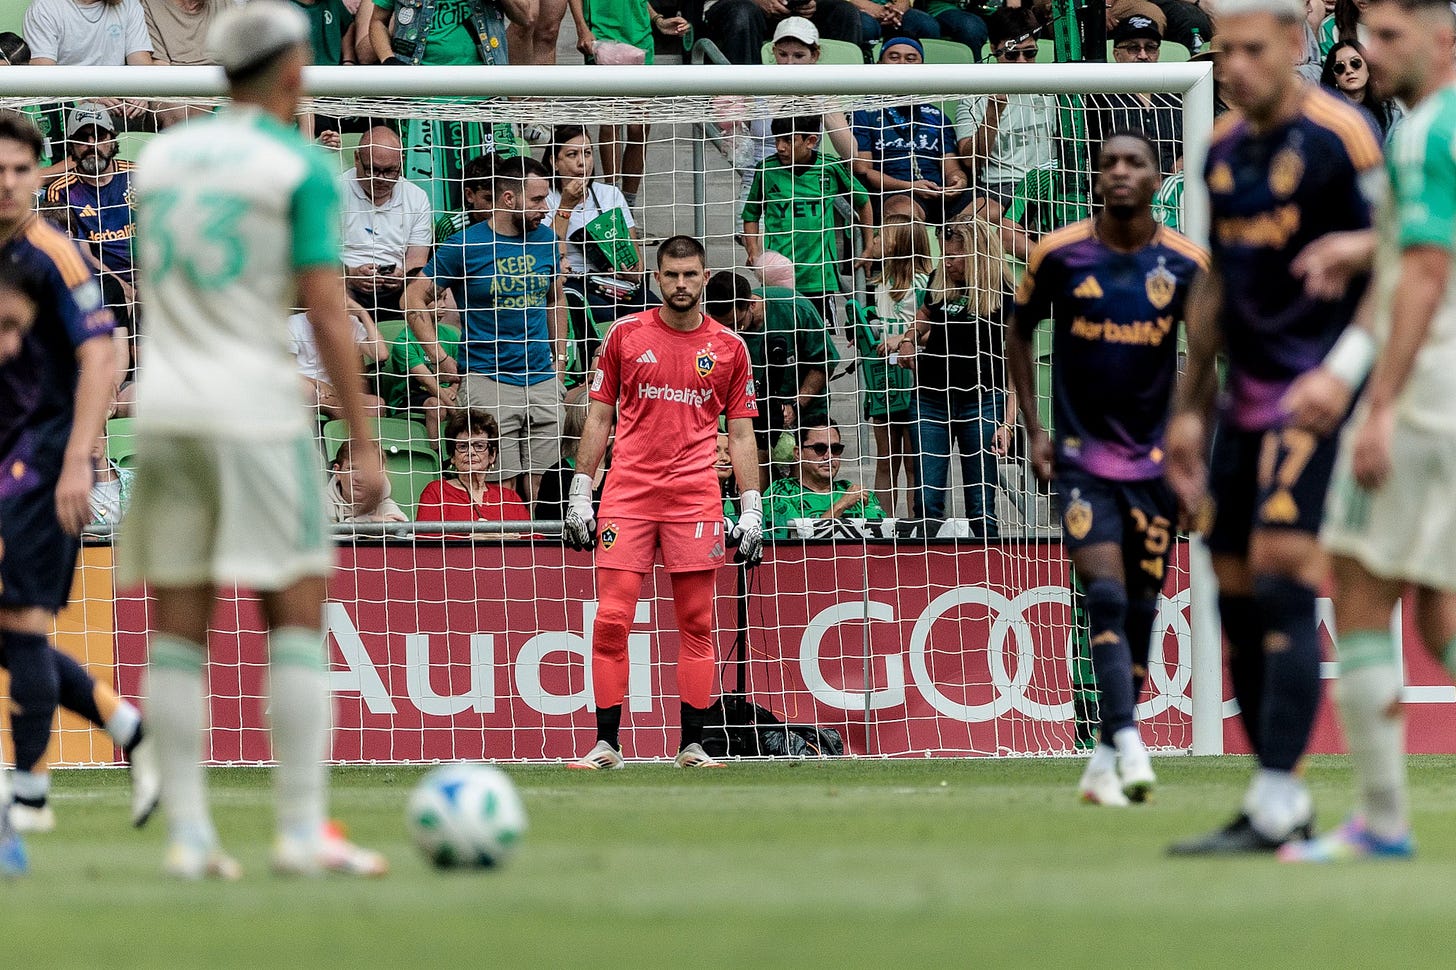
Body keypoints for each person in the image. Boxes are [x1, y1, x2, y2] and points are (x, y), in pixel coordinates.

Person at [121, 1, 390, 879]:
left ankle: (191, 838)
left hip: (168, 405)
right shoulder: (298, 164)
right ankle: (301, 830)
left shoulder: (160, 161)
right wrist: (363, 438)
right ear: (291, 70)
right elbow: (325, 308)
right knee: (295, 615)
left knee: (177, 629)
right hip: (256, 407)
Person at [1164, 0, 1384, 854]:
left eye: (1252, 49)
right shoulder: (1221, 148)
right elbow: (1217, 284)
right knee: (1233, 586)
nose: (1233, 67)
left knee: (1285, 566)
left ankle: (1280, 793)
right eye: (1223, 51)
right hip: (1246, 401)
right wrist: (1191, 407)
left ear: (1296, 44)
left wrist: (1346, 371)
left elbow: (1403, 257)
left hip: (1320, 394)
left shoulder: (1343, 136)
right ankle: (1275, 802)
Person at [1278, 0, 1456, 862]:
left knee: (1355, 585)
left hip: (1426, 397)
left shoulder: (1422, 134)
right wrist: (1365, 248)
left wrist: (1371, 401)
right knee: (1440, 613)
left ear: (1442, 37)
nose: (1369, 53)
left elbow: (1419, 277)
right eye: (1367, 35)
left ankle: (1382, 822)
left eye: (1390, 37)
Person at [1007, 131, 1207, 806]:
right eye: (1109, 163)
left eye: (1134, 163)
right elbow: (1017, 331)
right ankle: (1128, 739)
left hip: (1153, 467)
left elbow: (1206, 362)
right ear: (1095, 178)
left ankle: (1101, 763)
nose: (1120, 171)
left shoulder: (1187, 264)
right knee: (1108, 597)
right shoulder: (1059, 254)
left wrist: (1190, 456)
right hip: (1081, 459)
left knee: (1144, 609)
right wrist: (1035, 428)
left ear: (1157, 178)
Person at [0, 111, 159, 836]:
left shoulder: (56, 255)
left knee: (24, 623)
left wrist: (79, 457)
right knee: (11, 631)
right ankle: (127, 727)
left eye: (20, 170)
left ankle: (30, 798)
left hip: (43, 460)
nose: (8, 183)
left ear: (41, 176)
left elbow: (104, 353)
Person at [562, 235, 762, 770]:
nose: (681, 284)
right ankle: (606, 745)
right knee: (611, 620)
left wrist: (750, 506)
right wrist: (581, 492)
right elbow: (598, 418)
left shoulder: (730, 347)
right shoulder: (625, 335)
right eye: (671, 275)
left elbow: (741, 434)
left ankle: (692, 746)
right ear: (656, 278)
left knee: (696, 623)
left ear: (705, 277)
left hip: (695, 499)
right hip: (627, 495)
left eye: (690, 274)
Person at [404, 154, 567, 505]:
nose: (545, 208)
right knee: (500, 493)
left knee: (548, 492)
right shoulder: (465, 245)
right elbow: (411, 299)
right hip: (489, 382)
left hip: (542, 379)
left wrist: (561, 359)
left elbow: (555, 299)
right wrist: (441, 358)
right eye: (537, 199)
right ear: (509, 198)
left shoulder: (547, 241)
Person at [902, 216, 1016, 533]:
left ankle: (987, 561)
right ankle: (927, 560)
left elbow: (1017, 366)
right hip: (930, 399)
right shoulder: (940, 278)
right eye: (944, 256)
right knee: (926, 502)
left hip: (981, 400)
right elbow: (924, 313)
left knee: (981, 506)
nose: (947, 263)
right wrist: (909, 338)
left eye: (953, 256)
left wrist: (1007, 424)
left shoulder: (1005, 293)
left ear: (976, 254)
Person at [741, 113, 875, 332]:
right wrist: (754, 251)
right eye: (777, 140)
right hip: (778, 278)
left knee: (820, 341)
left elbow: (863, 201)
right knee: (781, 337)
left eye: (788, 140)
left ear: (811, 141)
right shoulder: (766, 170)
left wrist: (868, 244)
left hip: (819, 278)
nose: (780, 147)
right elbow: (751, 214)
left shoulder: (829, 168)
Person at [703, 270, 840, 480]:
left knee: (805, 474)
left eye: (735, 324)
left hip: (805, 404)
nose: (732, 332)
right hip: (755, 407)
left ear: (751, 304)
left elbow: (823, 363)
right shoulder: (716, 330)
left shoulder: (795, 308)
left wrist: (796, 406)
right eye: (724, 327)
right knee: (753, 463)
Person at [955, 8, 1058, 257]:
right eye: (1012, 55)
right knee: (961, 226)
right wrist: (993, 112)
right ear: (993, 49)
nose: (1022, 62)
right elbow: (970, 160)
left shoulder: (1055, 85)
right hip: (1000, 186)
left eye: (1030, 54)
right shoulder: (974, 92)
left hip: (1047, 183)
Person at [542, 125, 652, 343]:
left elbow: (637, 261)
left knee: (655, 310)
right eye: (572, 155)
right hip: (572, 282)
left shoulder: (610, 194)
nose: (582, 163)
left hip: (615, 282)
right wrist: (566, 206)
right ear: (554, 162)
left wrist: (631, 272)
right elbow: (545, 252)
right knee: (604, 316)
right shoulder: (544, 199)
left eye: (587, 153)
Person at [852, 37, 970, 224]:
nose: (902, 64)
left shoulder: (936, 115)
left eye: (911, 59)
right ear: (879, 65)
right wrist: (910, 186)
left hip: (938, 194)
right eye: (894, 57)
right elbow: (863, 170)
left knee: (989, 208)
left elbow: (952, 167)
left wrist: (958, 182)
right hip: (894, 193)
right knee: (904, 211)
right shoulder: (864, 112)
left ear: (922, 67)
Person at [860, 214, 928, 516]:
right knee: (886, 459)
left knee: (913, 462)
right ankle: (883, 523)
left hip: (913, 379)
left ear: (899, 243)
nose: (874, 240)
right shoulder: (880, 283)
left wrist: (902, 337)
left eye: (881, 236)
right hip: (883, 379)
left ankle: (916, 523)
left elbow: (932, 328)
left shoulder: (923, 284)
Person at [339, 126, 434, 317]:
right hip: (344, 280)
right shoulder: (332, 190)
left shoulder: (416, 197)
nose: (381, 179)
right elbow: (317, 256)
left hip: (397, 285)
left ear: (402, 161)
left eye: (390, 171)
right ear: (357, 159)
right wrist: (350, 274)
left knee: (440, 297)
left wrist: (401, 275)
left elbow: (417, 260)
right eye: (373, 170)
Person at [1085, 14, 1185, 178]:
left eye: (1150, 48)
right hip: (1122, 183)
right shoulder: (1101, 98)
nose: (1143, 55)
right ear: (1117, 55)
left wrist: (1185, 159)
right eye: (1133, 48)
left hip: (1173, 186)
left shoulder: (1176, 97)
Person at [764, 421, 885, 538]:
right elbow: (798, 544)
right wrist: (841, 506)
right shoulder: (781, 493)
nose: (829, 456)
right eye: (820, 448)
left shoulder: (857, 494)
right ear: (798, 453)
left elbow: (881, 539)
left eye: (836, 449)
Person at [416, 409, 533, 527]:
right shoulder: (436, 492)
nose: (471, 452)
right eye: (462, 446)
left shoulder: (509, 498)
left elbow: (533, 537)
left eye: (479, 446)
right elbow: (425, 537)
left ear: (492, 455)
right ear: (452, 456)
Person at [286, 298, 388, 418]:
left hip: (335, 391)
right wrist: (317, 383)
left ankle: (345, 417)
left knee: (377, 404)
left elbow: (381, 355)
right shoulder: (293, 323)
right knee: (309, 391)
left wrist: (362, 313)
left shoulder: (350, 322)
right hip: (305, 387)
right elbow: (286, 370)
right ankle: (345, 419)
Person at [702, 0, 864, 67]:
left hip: (792, 6)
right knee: (742, 14)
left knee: (845, 13)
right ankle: (742, 107)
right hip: (737, 5)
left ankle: (846, 109)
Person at [23, 0, 158, 66]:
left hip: (121, 99)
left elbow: (141, 66)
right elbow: (43, 78)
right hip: (70, 101)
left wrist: (140, 96)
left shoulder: (130, 5)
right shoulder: (44, 8)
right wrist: (89, 96)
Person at [1319, 40, 1401, 135]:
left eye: (1355, 63)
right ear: (1333, 76)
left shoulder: (1390, 112)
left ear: (1368, 68)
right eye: (1339, 67)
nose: (1349, 71)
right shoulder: (1323, 116)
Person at [327, 438, 407, 523]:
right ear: (337, 472)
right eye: (352, 469)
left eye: (369, 470)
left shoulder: (385, 504)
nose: (360, 478)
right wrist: (369, 520)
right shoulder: (323, 501)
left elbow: (404, 530)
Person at [143, 0, 231, 64]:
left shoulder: (225, 3)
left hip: (224, 80)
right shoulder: (151, 6)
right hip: (179, 82)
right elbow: (159, 65)